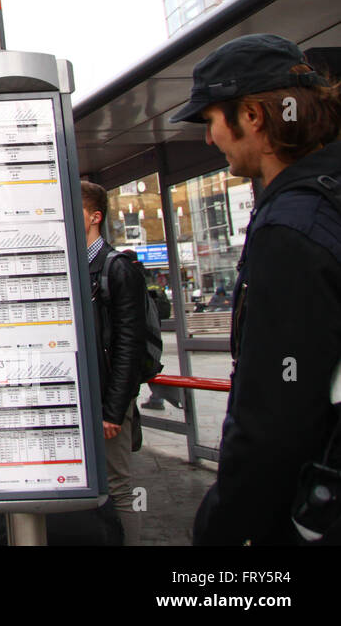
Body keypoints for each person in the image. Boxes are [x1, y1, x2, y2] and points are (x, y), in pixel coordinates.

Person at [169, 34, 341, 545]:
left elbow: (275, 415)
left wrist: (223, 527)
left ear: (252, 116)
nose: (207, 139)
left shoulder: (290, 227)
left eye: (210, 121)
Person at [81, 180, 148, 546]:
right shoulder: (74, 266)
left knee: (118, 487)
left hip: (109, 401)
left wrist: (115, 409)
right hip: (84, 397)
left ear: (95, 217)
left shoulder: (116, 267)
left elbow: (128, 345)